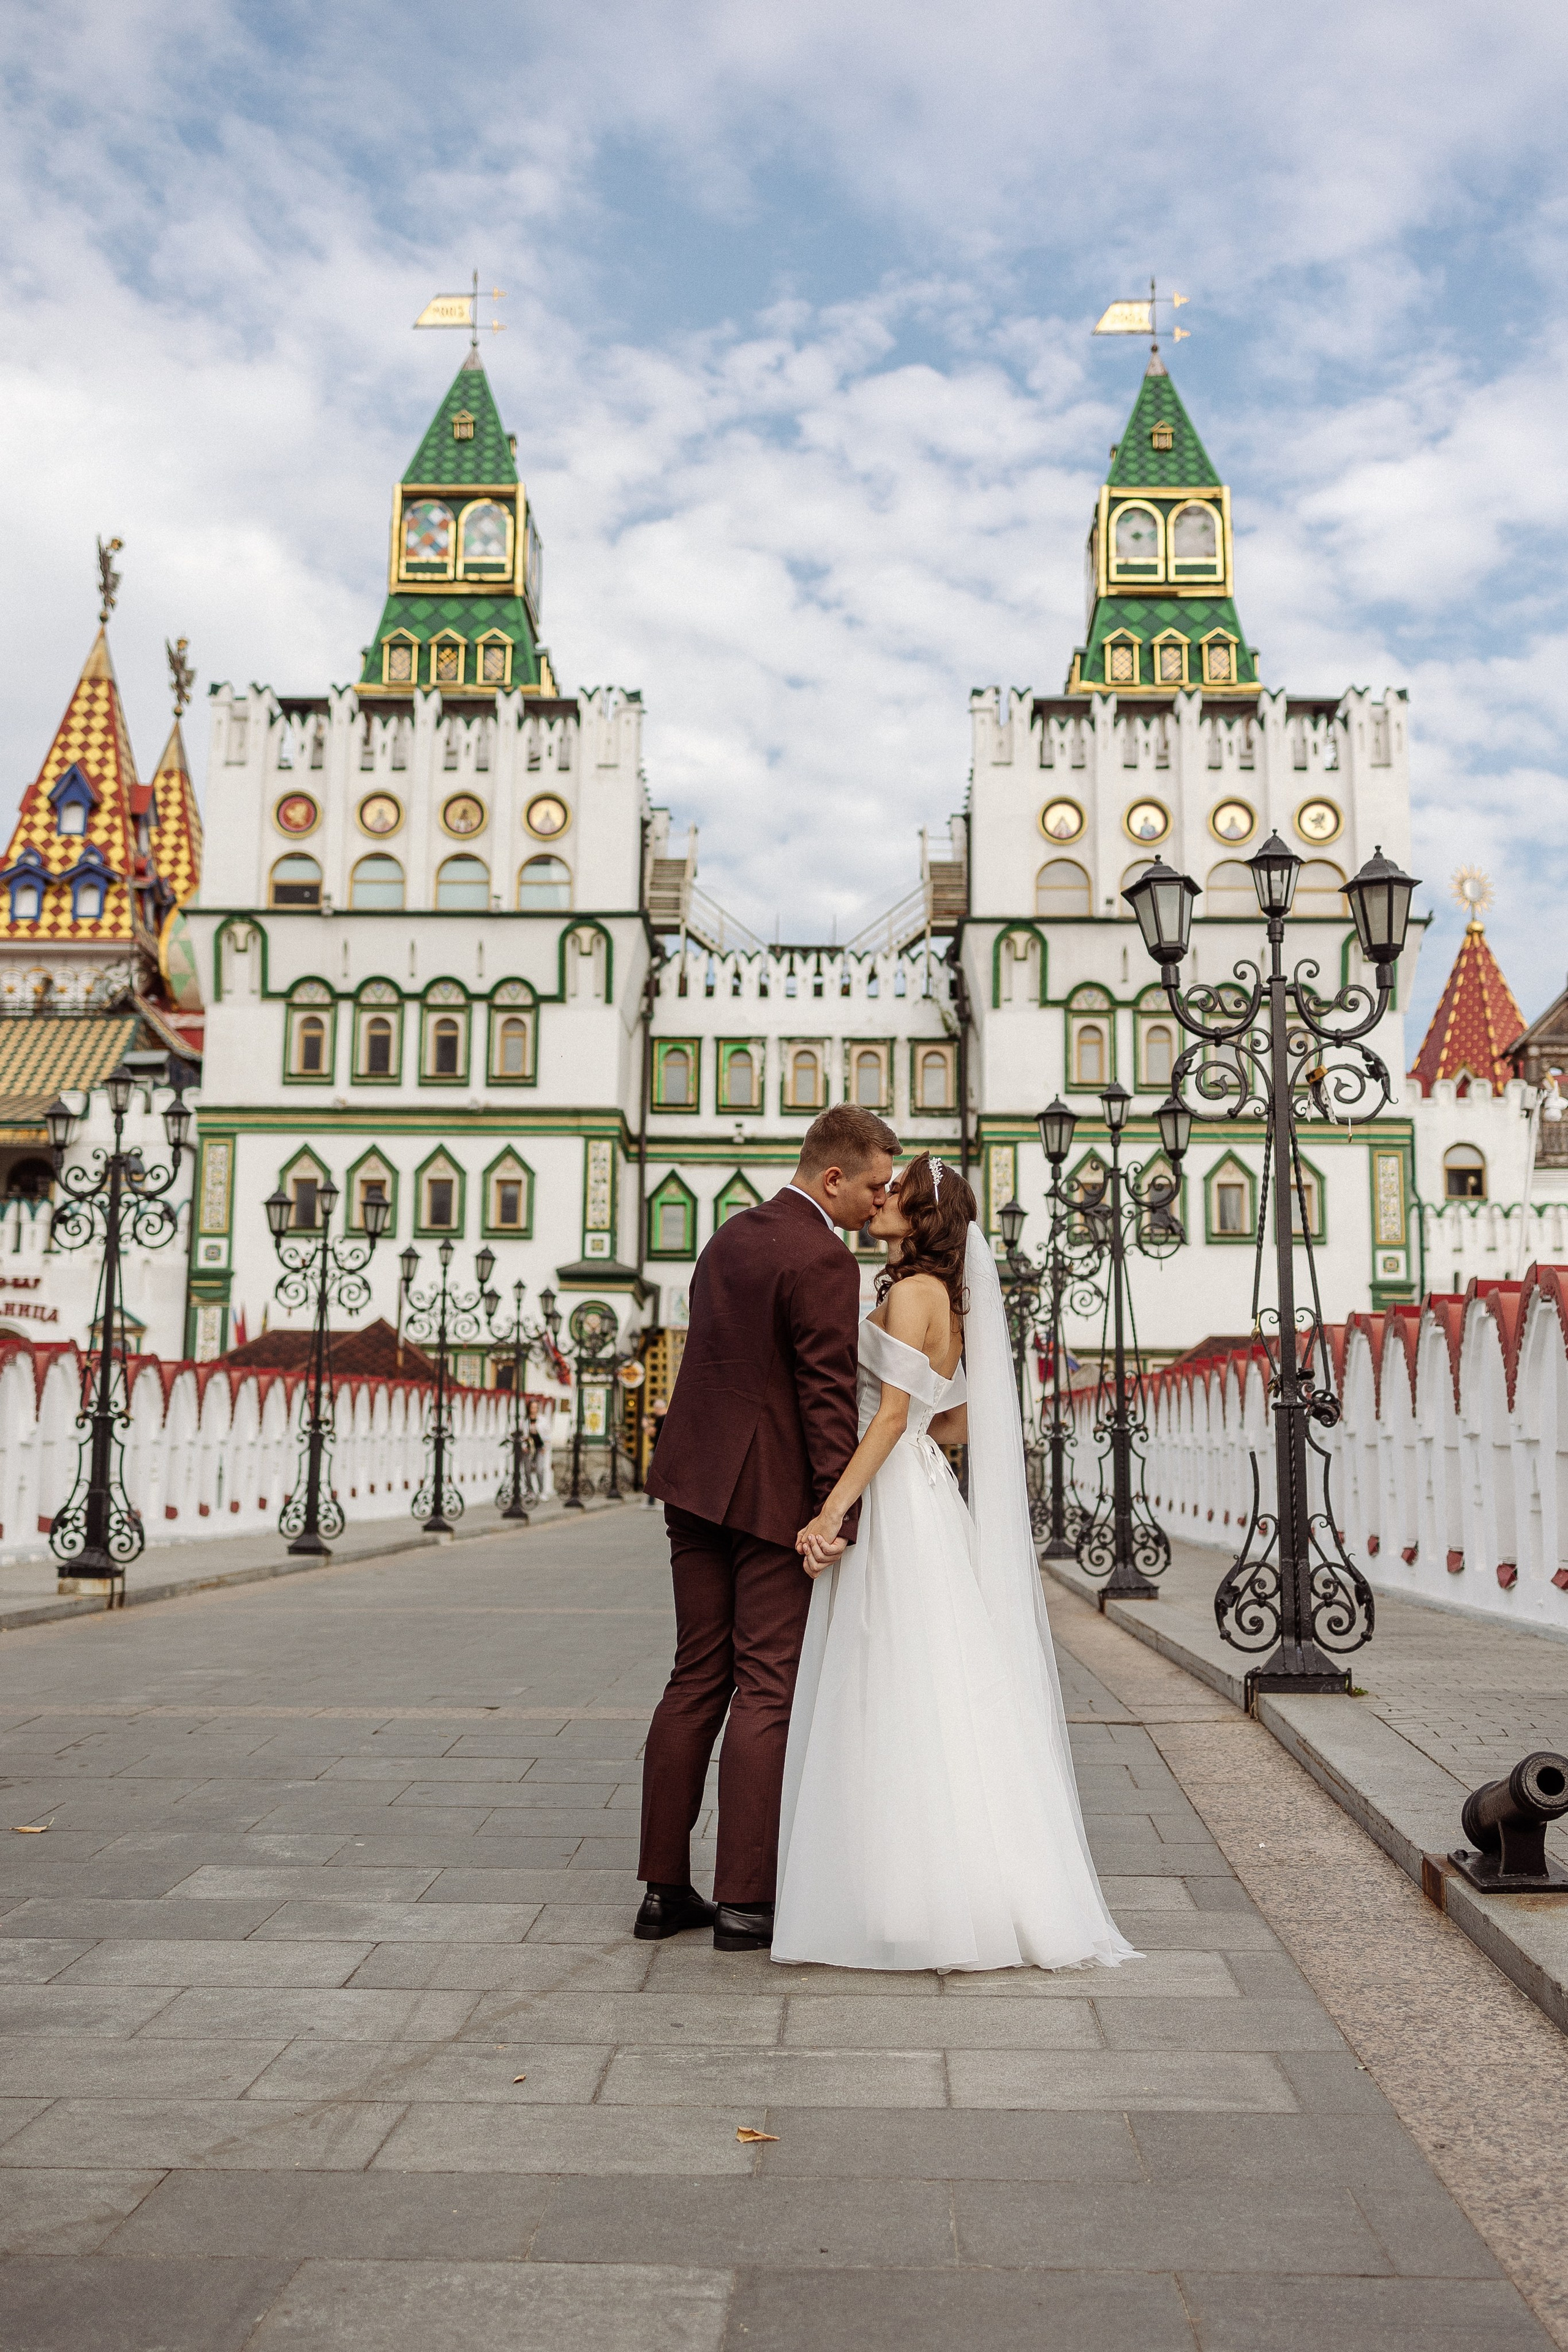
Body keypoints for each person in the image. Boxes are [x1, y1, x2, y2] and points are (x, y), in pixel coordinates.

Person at [772, 1152, 1138, 1974]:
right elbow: (959, 1421)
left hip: (897, 1504)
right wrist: (905, 1450)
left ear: (926, 1217)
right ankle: (932, 1891)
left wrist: (833, 1506)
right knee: (927, 1680)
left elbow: (895, 1414)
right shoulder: (947, 1300)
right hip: (924, 1497)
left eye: (898, 1192)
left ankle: (900, 1895)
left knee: (887, 1681)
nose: (884, 1196)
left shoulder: (909, 1292)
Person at [636, 1105, 897, 1951]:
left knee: (694, 1679)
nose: (877, 1202)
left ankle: (663, 1891)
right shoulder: (823, 1256)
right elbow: (824, 1398)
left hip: (693, 1484)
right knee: (766, 1688)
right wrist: (837, 1511)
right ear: (832, 1178)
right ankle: (746, 1903)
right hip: (769, 1496)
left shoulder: (727, 1238)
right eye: (872, 1186)